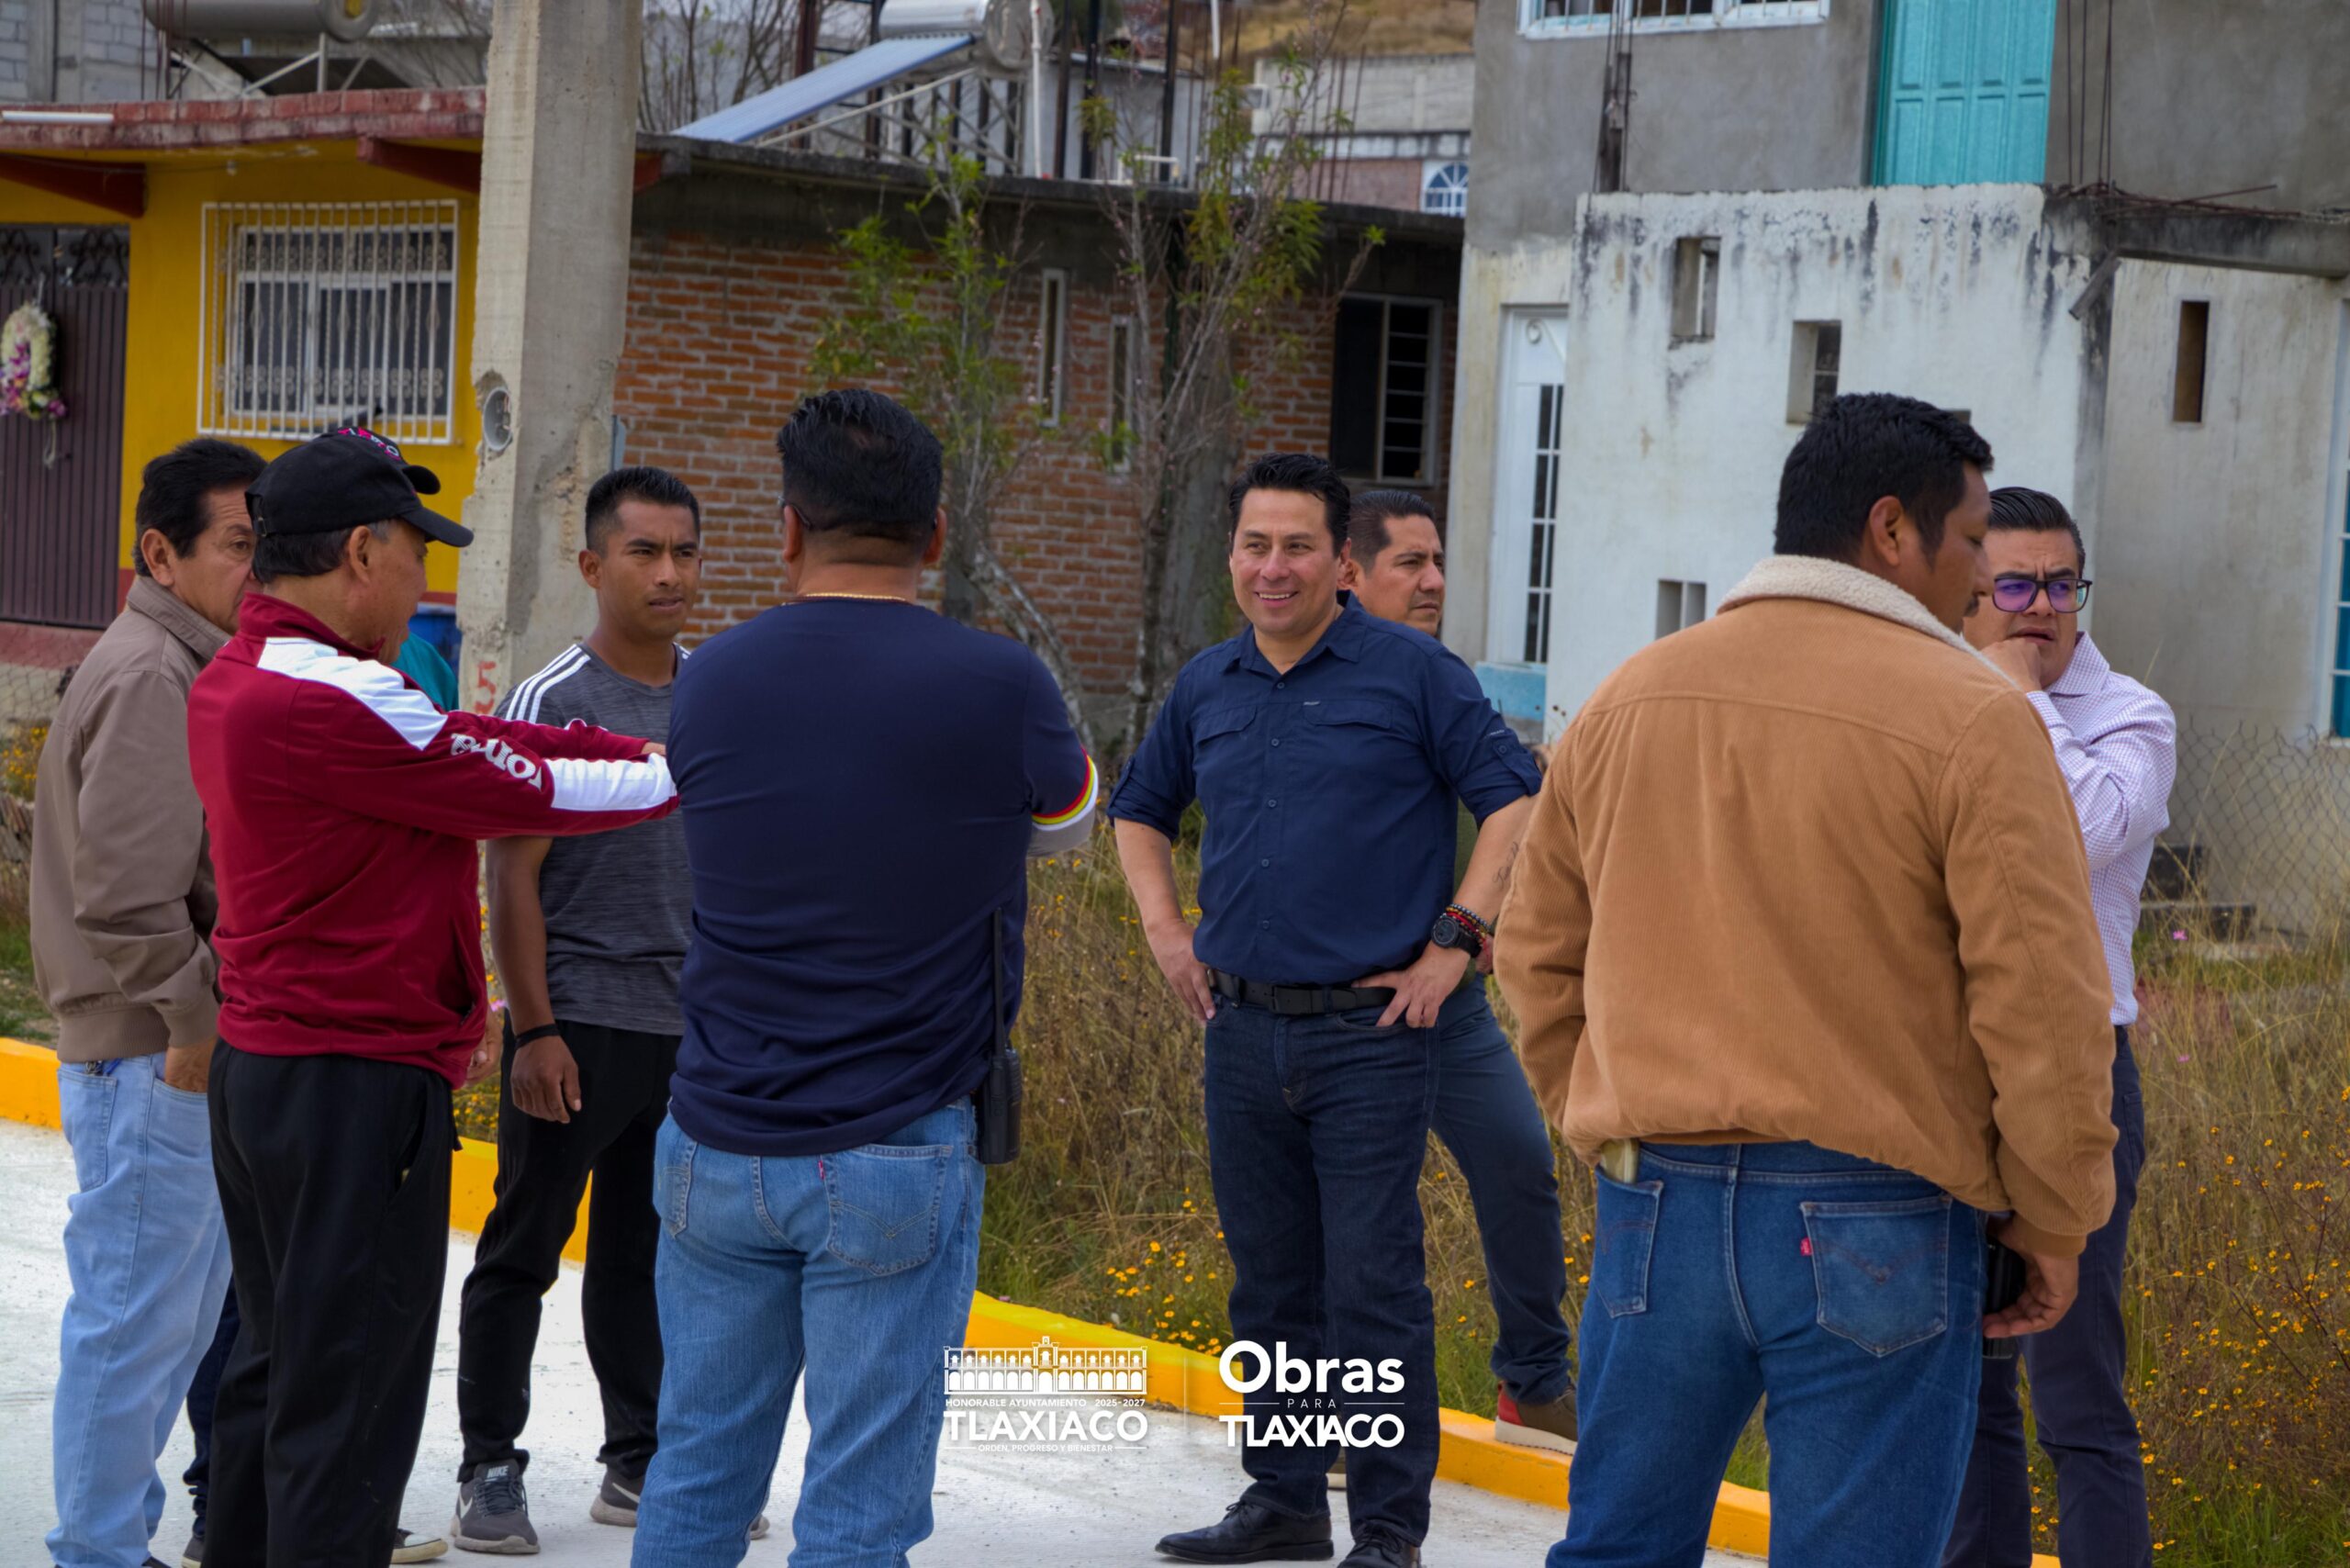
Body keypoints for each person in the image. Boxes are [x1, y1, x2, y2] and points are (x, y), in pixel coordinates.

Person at [1495, 393, 2120, 1568]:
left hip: (1656, 1197)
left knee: (1617, 1548)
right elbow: (2041, 1006)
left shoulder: (1629, 694)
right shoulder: (1975, 718)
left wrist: (1605, 1118)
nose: (1980, 579)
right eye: (1970, 538)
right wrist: (2053, 1214)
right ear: (1891, 530)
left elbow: (1532, 953)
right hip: (1878, 1212)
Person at [186, 433, 680, 1567]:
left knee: (281, 1368)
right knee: (349, 1403)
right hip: (348, 1085)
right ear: (362, 552)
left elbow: (477, 742)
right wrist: (692, 760)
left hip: (270, 1072)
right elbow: (538, 784)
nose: (426, 583)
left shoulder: (245, 672)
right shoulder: (336, 694)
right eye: (419, 555)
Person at [632, 388, 1095, 1565]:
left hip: (715, 1137)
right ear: (935, 532)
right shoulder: (1001, 684)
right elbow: (1070, 821)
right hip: (896, 1144)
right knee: (860, 1509)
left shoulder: (710, 677)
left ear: (787, 529)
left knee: (694, 1472)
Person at [1113, 454, 1540, 1568]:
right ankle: (1286, 1500)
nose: (1273, 567)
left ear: (1340, 561)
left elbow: (1513, 799)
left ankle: (1387, 1531)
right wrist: (1166, 932)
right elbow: (1138, 808)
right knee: (1270, 1284)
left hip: (1372, 1036)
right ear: (1232, 556)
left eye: (1297, 546)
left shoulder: (1413, 674)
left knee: (1373, 1287)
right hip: (1240, 1031)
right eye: (1254, 545)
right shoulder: (1208, 683)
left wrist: (1456, 940)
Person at [452, 466, 737, 1550]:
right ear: (590, 564)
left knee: (646, 1254)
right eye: (643, 551)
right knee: (522, 1247)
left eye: (685, 551)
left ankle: (639, 1460)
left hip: (691, 1029)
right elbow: (509, 872)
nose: (670, 573)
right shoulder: (551, 700)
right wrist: (533, 1028)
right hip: (577, 1020)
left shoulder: (715, 691)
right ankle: (488, 1465)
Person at [30, 439, 256, 1568]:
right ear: (161, 554)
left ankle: (114, 1542)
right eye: (238, 545)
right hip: (148, 1051)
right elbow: (126, 896)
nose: (258, 569)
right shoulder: (150, 676)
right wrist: (194, 1029)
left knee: (164, 1335)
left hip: (160, 1049)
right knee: (131, 1333)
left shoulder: (183, 664)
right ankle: (97, 1553)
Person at [1945, 488, 2174, 1568]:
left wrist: (2018, 702)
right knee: (1967, 1380)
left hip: (2083, 1079)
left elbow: (2080, 829)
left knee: (2076, 1389)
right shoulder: (1936, 696)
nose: (2038, 606)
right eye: (2013, 584)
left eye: (2059, 584)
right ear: (1970, 591)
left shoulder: (2131, 715)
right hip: (1955, 1076)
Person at [1337, 489, 1576, 1450]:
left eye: (1438, 561)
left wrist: (1462, 936)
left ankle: (1534, 1383)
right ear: (1350, 572)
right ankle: (1344, 1412)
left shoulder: (1441, 677)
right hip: (1336, 1011)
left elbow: (1511, 799)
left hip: (1447, 999)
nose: (1434, 581)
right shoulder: (1305, 680)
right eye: (1411, 563)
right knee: (1356, 1220)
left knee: (1519, 1163)